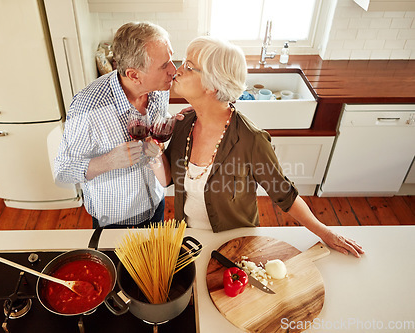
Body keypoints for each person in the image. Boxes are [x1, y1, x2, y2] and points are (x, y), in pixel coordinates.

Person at [148, 36, 364, 257]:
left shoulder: (251, 140)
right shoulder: (184, 126)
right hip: (189, 242)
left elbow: (285, 195)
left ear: (212, 85)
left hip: (234, 247)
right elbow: (168, 180)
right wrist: (153, 149)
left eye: (189, 67)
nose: (178, 70)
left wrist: (326, 233)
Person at [54, 22, 176, 228]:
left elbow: (158, 129)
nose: (174, 70)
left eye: (171, 58)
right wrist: (108, 161)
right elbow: (63, 170)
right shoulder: (88, 108)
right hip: (115, 220)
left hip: (156, 205)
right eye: (164, 65)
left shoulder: (160, 88)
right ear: (134, 75)